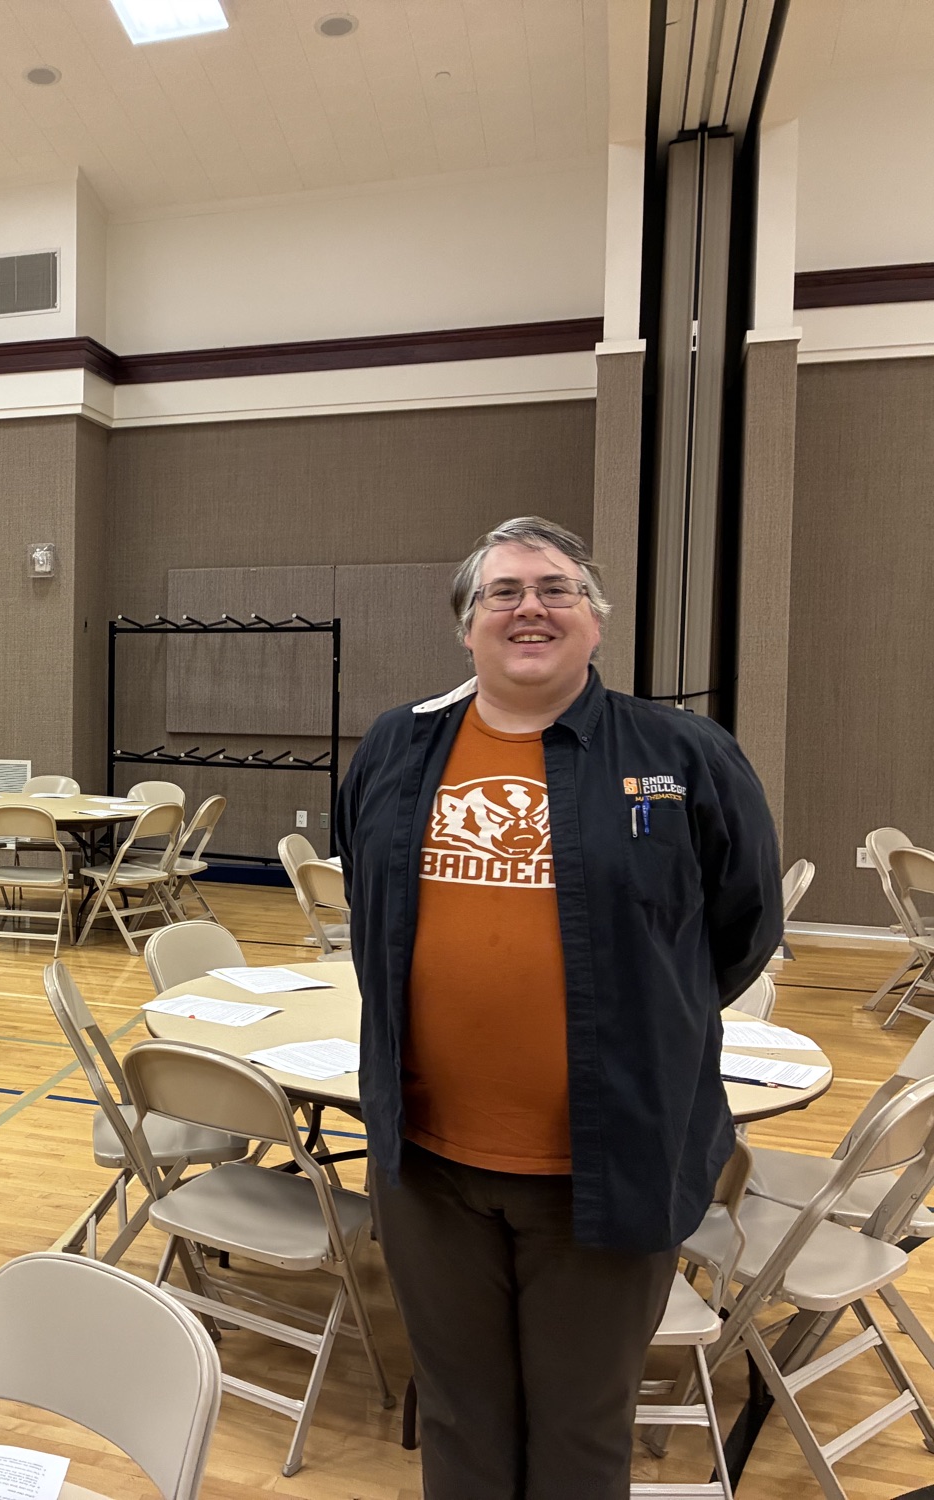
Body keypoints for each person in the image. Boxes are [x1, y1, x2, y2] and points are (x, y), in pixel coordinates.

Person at [335, 516, 781, 1499]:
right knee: (457, 1413)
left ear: (594, 621)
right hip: (427, 1167)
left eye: (554, 589)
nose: (527, 607)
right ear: (466, 626)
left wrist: (644, 1020)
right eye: (501, 592)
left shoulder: (682, 753)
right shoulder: (395, 747)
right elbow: (369, 907)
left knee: (580, 1429)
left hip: (608, 1167)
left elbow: (742, 928)